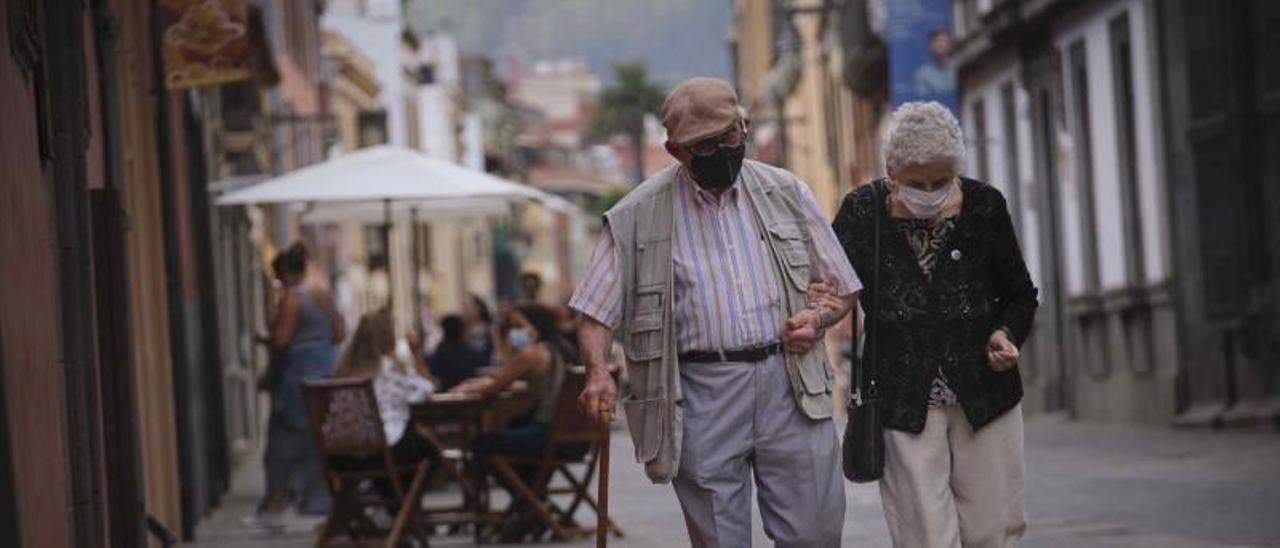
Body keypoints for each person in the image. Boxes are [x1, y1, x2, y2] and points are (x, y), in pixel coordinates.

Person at [572, 77, 861, 547]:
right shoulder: (635, 216)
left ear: (745, 125)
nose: (723, 151)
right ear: (674, 150)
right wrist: (597, 372)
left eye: (730, 137)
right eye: (704, 146)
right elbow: (594, 312)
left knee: (815, 532)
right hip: (700, 392)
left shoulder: (787, 191)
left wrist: (819, 318)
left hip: (789, 381)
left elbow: (844, 287)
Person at [829, 101, 1038, 548]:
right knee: (923, 535)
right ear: (891, 170)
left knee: (994, 529)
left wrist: (1005, 335)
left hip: (985, 391)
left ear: (957, 170)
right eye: (915, 183)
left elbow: (1021, 294)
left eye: (942, 181)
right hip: (903, 394)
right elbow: (830, 286)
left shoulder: (984, 206)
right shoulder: (862, 214)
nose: (929, 191)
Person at [251, 242, 344, 524]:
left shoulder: (291, 297)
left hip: (298, 378)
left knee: (281, 442)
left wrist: (262, 338)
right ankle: (317, 499)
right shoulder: (323, 295)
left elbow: (281, 340)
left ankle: (277, 500)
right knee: (316, 441)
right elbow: (340, 332)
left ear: (284, 274)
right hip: (327, 374)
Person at [333, 309, 437, 469]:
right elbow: (424, 389)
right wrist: (416, 355)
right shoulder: (388, 368)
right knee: (428, 450)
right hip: (385, 451)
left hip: (342, 454)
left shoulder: (344, 372)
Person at [426, 314, 485, 391]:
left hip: (446, 394)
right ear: (462, 331)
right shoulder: (472, 352)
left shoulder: (440, 352)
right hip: (471, 393)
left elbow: (431, 375)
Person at [913, 29, 956, 95]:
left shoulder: (959, 67)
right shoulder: (923, 73)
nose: (940, 44)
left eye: (943, 41)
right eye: (936, 41)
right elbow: (923, 97)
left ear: (950, 44)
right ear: (930, 46)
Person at [462, 293, 495, 363]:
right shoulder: (461, 329)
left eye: (469, 306)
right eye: (464, 307)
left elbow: (497, 351)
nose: (466, 310)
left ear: (480, 308)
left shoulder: (490, 328)